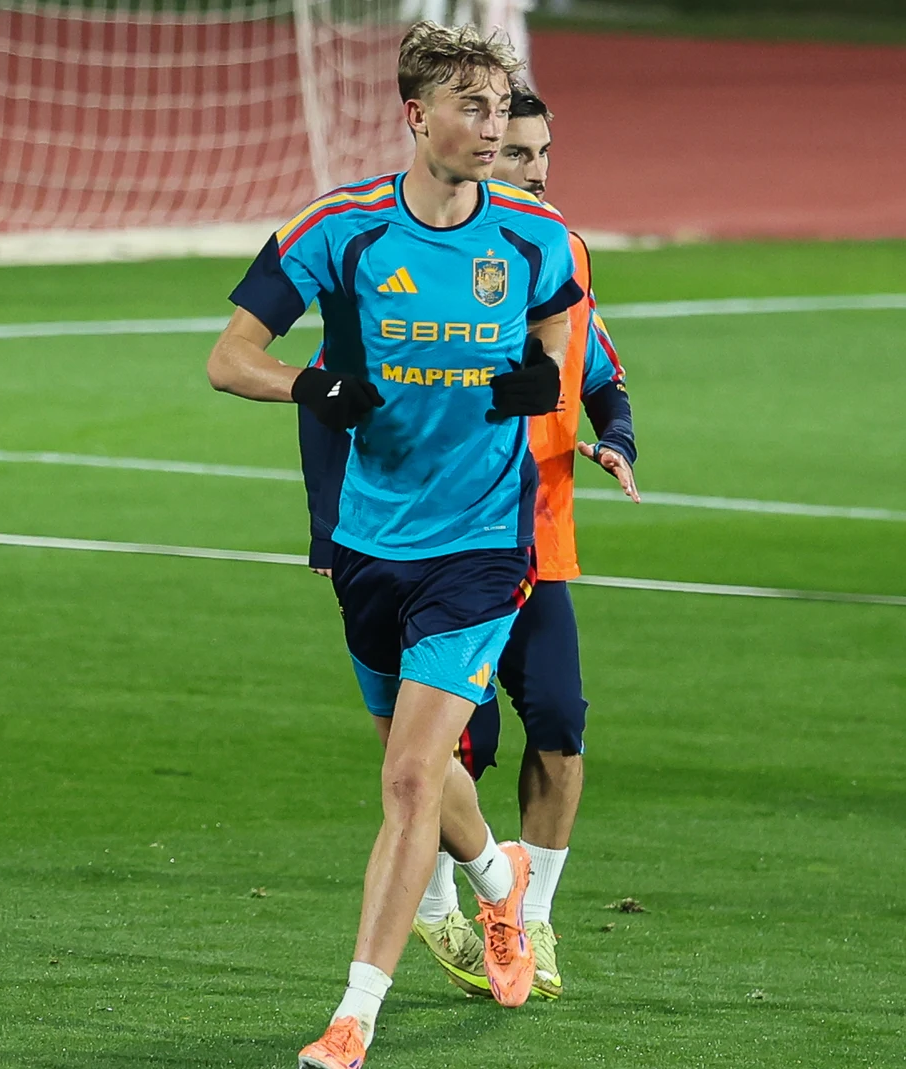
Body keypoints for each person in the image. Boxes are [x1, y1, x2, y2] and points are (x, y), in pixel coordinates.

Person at [207, 22, 583, 1069]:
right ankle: (504, 888)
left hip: (481, 546)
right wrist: (310, 384)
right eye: (472, 108)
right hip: (370, 539)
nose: (491, 127)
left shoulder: (534, 239)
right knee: (415, 766)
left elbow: (564, 339)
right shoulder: (340, 230)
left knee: (415, 779)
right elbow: (230, 357)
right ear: (417, 116)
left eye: (500, 109)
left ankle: (352, 1017)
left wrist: (542, 382)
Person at [298, 85, 638, 1004]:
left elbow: (601, 375)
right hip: (423, 539)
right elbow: (335, 389)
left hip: (534, 546)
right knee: (443, 760)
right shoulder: (409, 255)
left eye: (537, 156)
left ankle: (528, 917)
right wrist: (328, 522)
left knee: (560, 730)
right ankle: (450, 902)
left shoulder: (547, 263)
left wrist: (618, 439)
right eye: (513, 152)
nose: (527, 170)